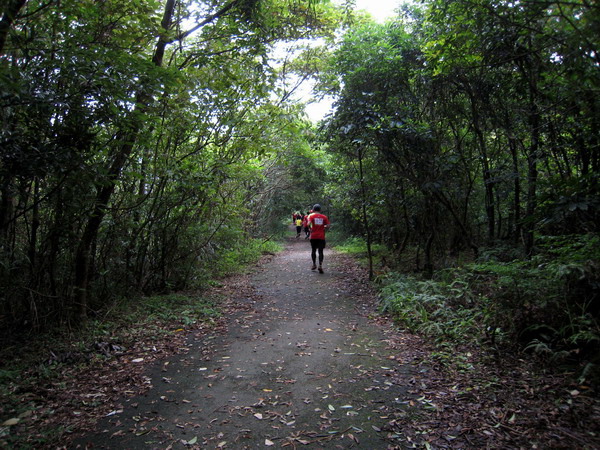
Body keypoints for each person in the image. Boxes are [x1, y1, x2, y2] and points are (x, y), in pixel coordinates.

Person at [307, 204, 330, 273]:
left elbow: (308, 224)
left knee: (313, 250)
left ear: (313, 210)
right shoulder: (324, 217)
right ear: (320, 210)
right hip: (321, 236)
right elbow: (328, 226)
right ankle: (320, 265)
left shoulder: (311, 216)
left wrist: (310, 229)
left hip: (313, 236)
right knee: (321, 251)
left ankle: (314, 264)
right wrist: (324, 227)